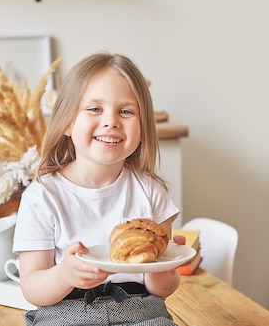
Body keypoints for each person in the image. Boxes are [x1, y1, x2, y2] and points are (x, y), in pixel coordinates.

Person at [13, 52, 183, 325]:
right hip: (65, 313)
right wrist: (64, 275)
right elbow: (32, 287)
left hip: (141, 313)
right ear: (67, 122)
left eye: (126, 111)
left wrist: (164, 267)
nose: (111, 121)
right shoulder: (43, 197)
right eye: (94, 109)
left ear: (142, 128)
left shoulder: (151, 193)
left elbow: (162, 290)